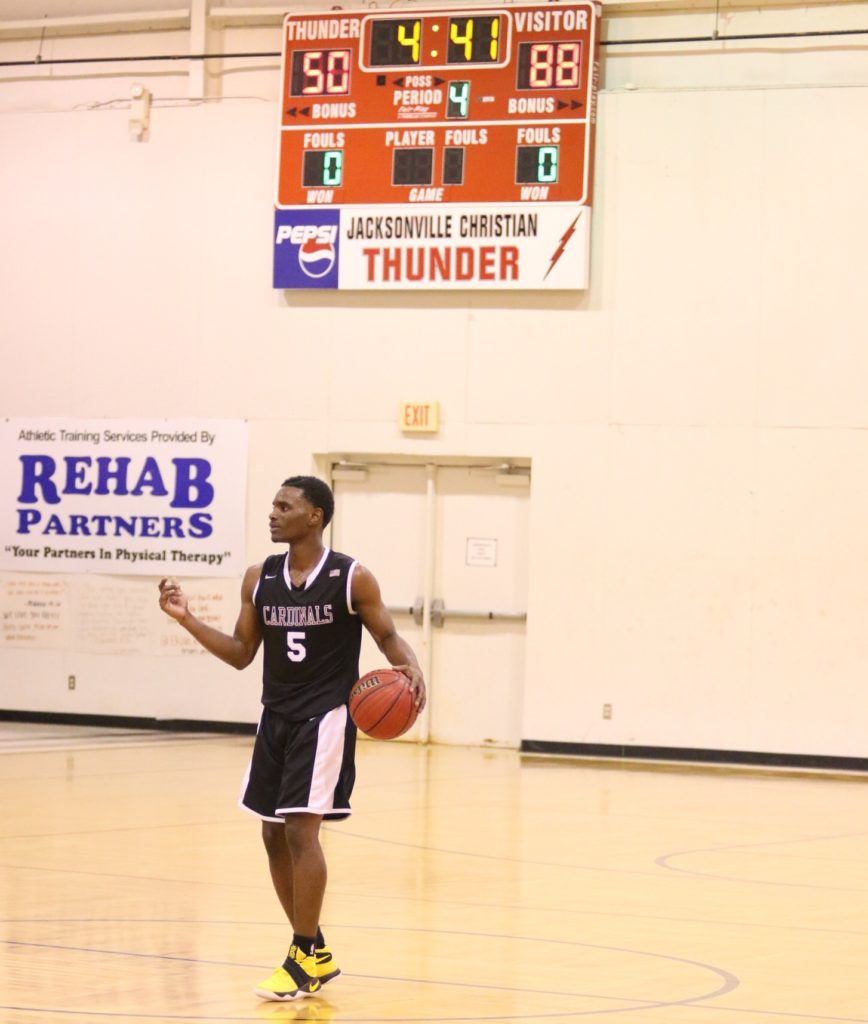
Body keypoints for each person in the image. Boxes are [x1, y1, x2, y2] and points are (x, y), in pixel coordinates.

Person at [157, 475, 425, 1001]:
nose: (273, 514)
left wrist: (411, 668)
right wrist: (187, 619)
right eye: (273, 504)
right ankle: (316, 951)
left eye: (285, 506)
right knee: (272, 834)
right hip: (274, 717)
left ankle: (301, 955)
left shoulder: (352, 578)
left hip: (324, 719)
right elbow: (239, 653)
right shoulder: (260, 577)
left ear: (315, 517)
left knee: (302, 833)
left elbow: (387, 635)